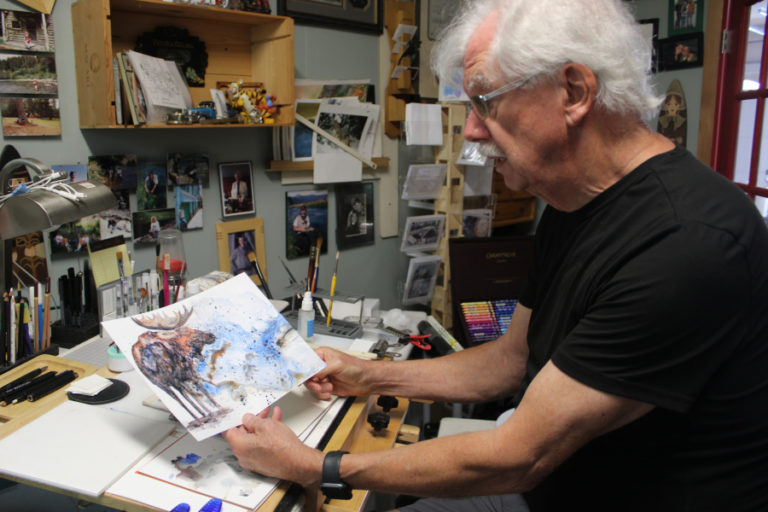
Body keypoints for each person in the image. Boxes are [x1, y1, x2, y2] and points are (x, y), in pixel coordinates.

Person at [222, 1, 768, 511]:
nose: (475, 131)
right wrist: (369, 376)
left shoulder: (685, 245)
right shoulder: (573, 202)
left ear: (574, 91)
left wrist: (317, 465)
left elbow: (520, 455)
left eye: (485, 101)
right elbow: (509, 361)